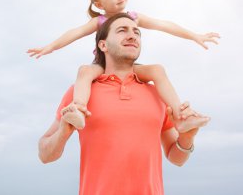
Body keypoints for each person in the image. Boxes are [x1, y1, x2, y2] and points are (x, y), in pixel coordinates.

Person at [38, 13, 209, 195]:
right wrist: (63, 133)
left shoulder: (158, 94)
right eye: (122, 30)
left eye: (137, 32)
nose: (132, 35)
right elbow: (45, 155)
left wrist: (187, 138)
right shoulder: (81, 92)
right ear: (102, 45)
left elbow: (177, 158)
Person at [28, 0, 219, 131]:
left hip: (128, 67)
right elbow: (75, 33)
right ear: (99, 4)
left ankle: (181, 115)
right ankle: (78, 109)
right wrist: (50, 47)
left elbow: (164, 25)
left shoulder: (134, 17)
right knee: (84, 71)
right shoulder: (99, 21)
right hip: (102, 66)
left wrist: (194, 35)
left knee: (157, 70)